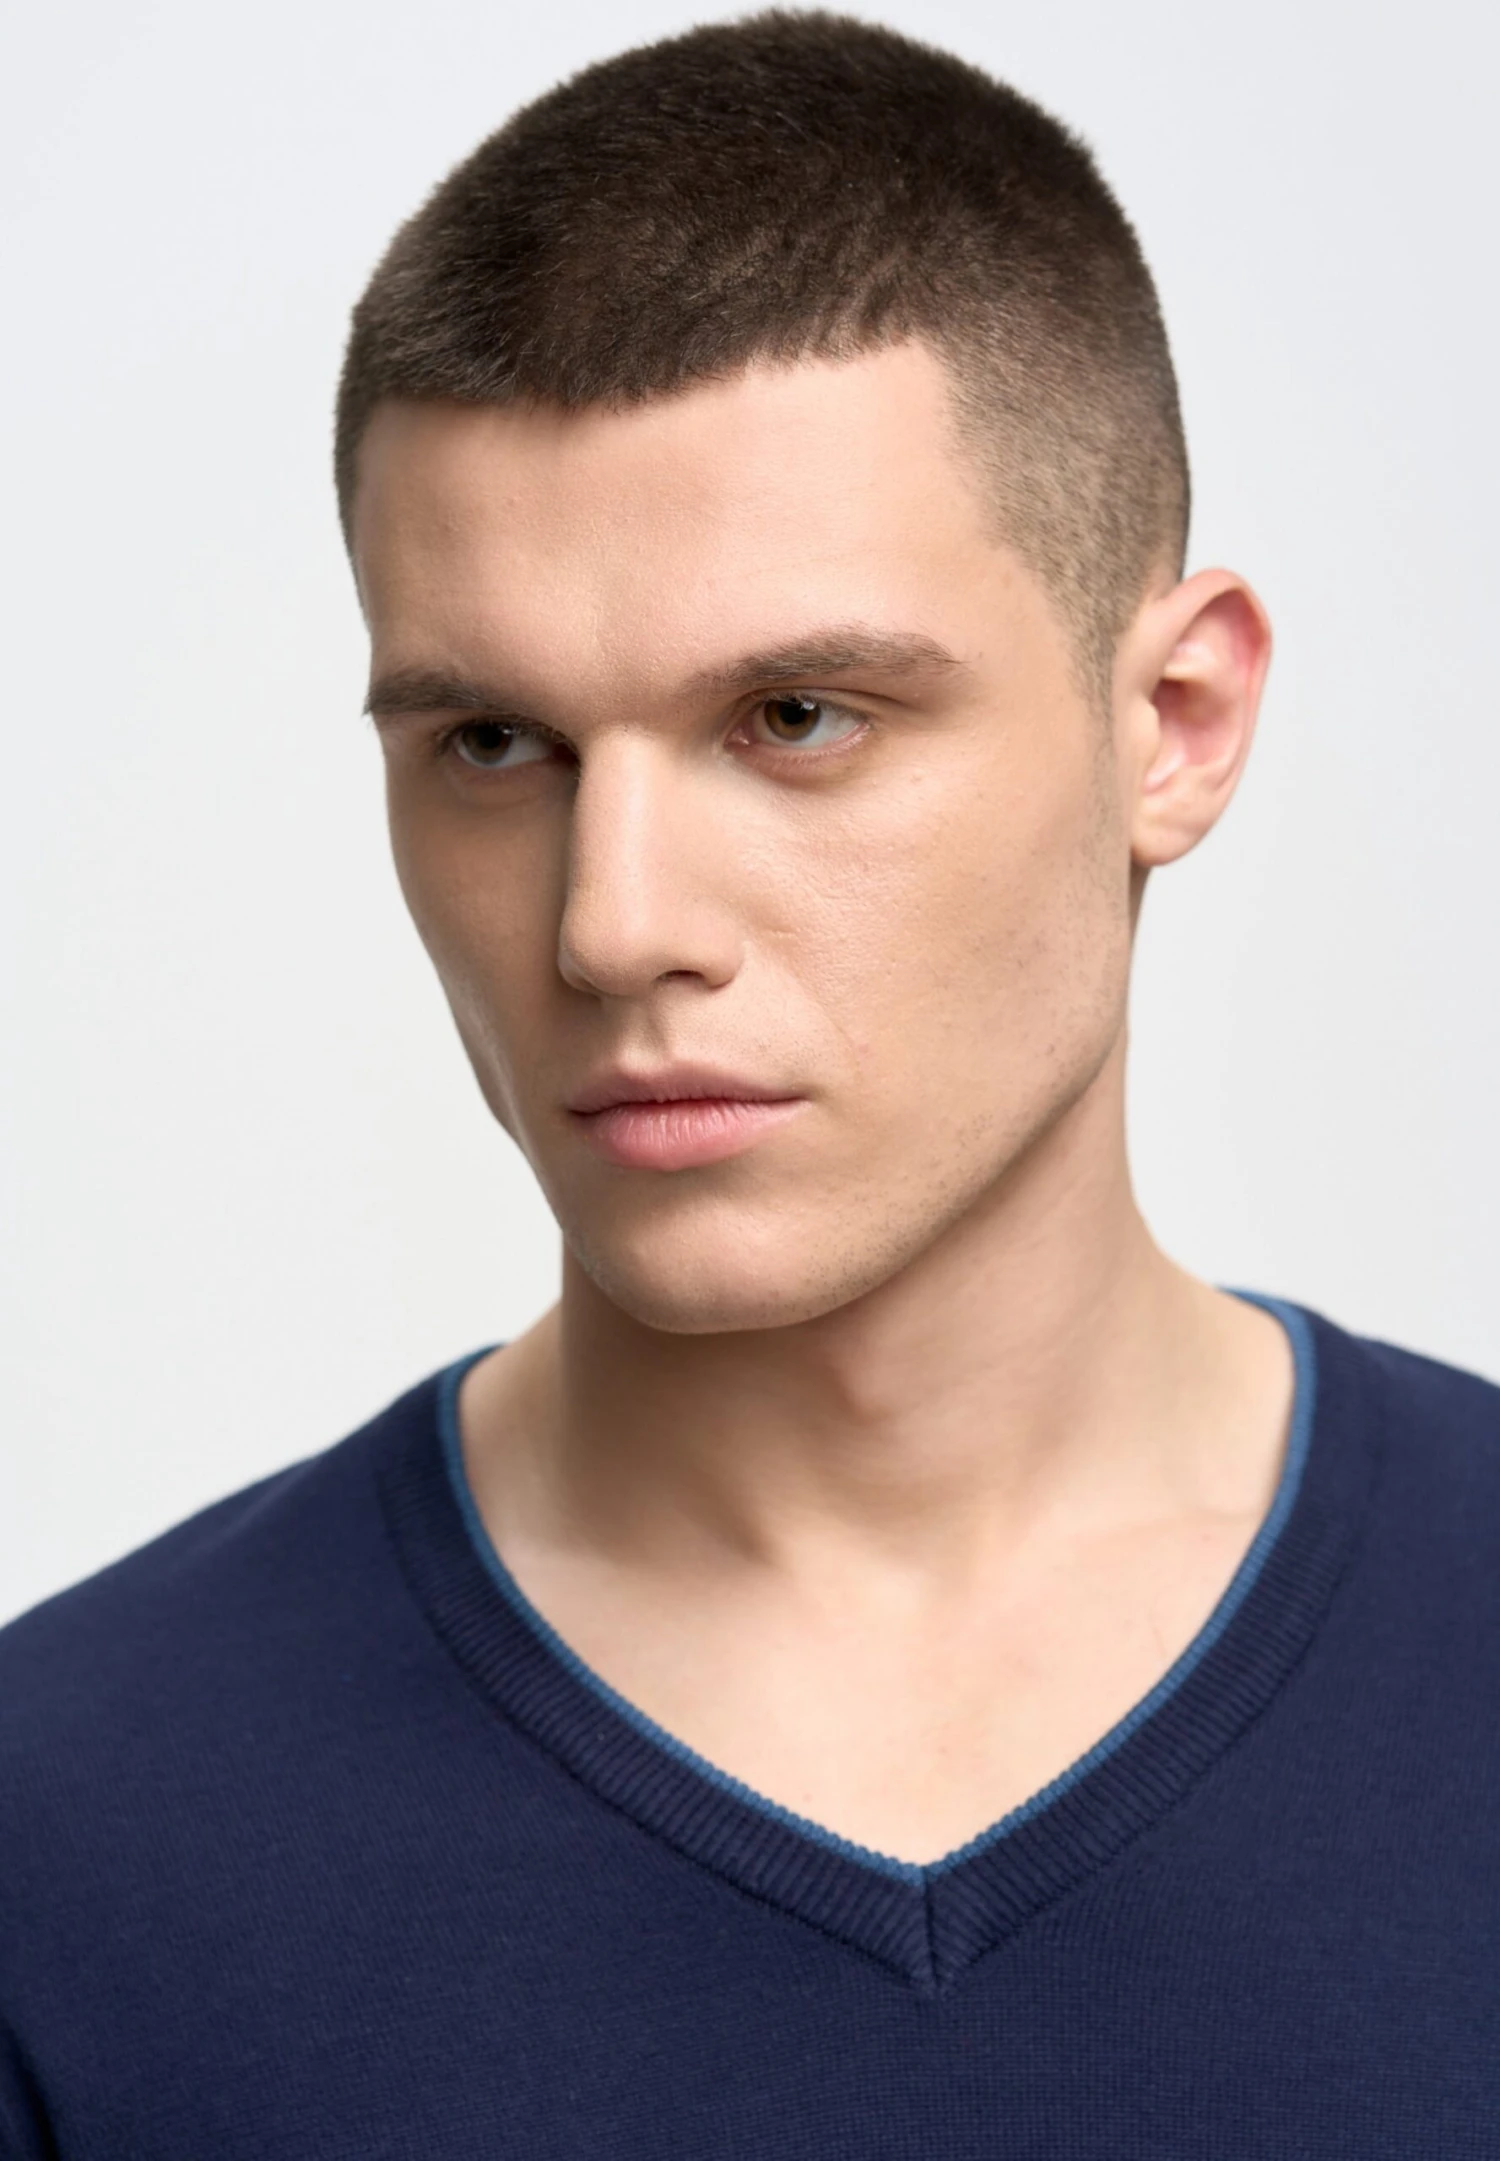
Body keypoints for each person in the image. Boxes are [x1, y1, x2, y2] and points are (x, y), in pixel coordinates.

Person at [3, 11, 1498, 2154]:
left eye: (796, 718)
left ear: (1174, 723)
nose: (613, 927)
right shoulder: (64, 1847)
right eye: (493, 744)